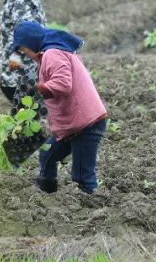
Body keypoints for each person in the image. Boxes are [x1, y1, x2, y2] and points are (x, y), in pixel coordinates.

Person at [11, 22, 108, 195]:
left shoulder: (53, 54)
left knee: (82, 176)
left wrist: (38, 88)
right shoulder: (48, 54)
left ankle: (95, 209)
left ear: (32, 42)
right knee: (47, 155)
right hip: (73, 124)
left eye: (24, 49)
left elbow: (63, 84)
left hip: (86, 124)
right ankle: (48, 195)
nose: (24, 53)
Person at [0, 0, 48, 165]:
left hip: (21, 61)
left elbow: (25, 31)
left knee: (21, 100)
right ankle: (25, 149)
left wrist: (15, 55)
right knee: (23, 103)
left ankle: (26, 151)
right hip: (20, 59)